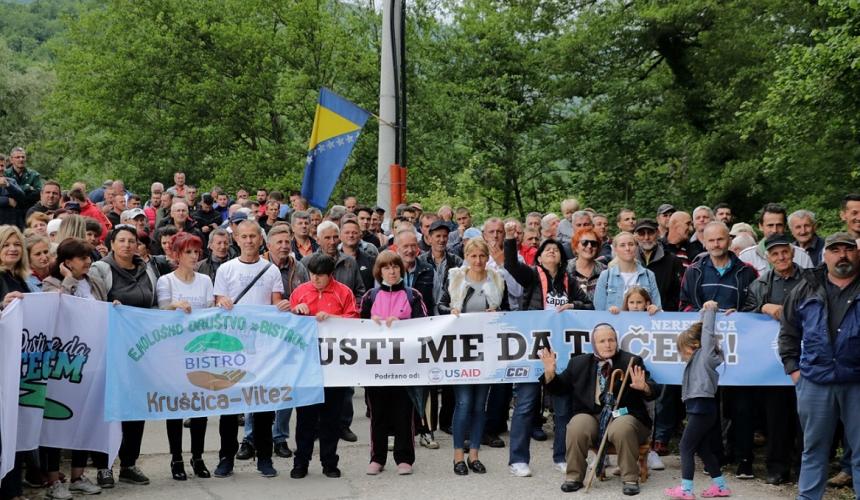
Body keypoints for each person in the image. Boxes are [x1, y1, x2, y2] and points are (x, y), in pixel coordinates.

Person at [502, 222, 592, 477]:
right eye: (547, 249)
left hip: (562, 355)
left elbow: (590, 306)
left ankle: (562, 456)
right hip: (533, 351)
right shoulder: (531, 276)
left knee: (563, 407)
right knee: (526, 404)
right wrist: (510, 239)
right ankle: (518, 459)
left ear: (562, 256)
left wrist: (574, 305)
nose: (552, 251)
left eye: (556, 249)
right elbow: (511, 266)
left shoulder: (570, 282)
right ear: (539, 256)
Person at [780, 232, 860, 500]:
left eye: (847, 250)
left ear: (856, 253)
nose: (842, 255)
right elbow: (789, 332)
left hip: (857, 383)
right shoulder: (805, 288)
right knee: (813, 451)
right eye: (835, 250)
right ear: (824, 256)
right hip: (814, 382)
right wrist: (794, 370)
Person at [540, 323, 656, 496]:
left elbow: (654, 390)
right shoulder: (578, 363)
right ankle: (574, 477)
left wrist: (644, 387)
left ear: (616, 342)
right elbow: (559, 389)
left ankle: (630, 478)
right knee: (577, 425)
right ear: (594, 344)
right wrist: (550, 373)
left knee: (621, 427)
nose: (607, 344)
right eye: (602, 341)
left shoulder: (631, 361)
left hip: (626, 415)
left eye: (611, 340)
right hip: (591, 415)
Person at [680, 221, 758, 478]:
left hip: (739, 349)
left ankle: (744, 459)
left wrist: (742, 313)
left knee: (742, 405)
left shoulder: (746, 271)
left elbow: (754, 305)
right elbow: (684, 307)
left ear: (729, 240)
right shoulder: (694, 271)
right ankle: (715, 457)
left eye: (720, 240)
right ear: (704, 242)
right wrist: (702, 311)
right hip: (704, 351)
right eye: (711, 240)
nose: (716, 244)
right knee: (708, 402)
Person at [211, 220, 287, 479]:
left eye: (253, 236)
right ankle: (225, 459)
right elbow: (217, 300)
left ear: (260, 238)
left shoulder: (271, 270)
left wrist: (283, 307)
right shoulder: (225, 269)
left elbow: (276, 303)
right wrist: (222, 301)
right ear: (237, 240)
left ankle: (264, 458)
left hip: (263, 348)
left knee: (264, 407)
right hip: (232, 349)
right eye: (244, 236)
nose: (249, 241)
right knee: (229, 408)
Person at [89, 225, 160, 487]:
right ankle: (103, 466)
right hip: (109, 349)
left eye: (133, 241)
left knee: (135, 408)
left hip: (140, 351)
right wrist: (110, 307)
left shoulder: (147, 270)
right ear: (111, 244)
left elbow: (153, 304)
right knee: (108, 410)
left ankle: (129, 464)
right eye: (122, 240)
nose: (128, 245)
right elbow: (93, 304)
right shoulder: (102, 270)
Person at [39, 238, 107, 497]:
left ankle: (78, 475)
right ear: (66, 262)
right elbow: (55, 311)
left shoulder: (95, 283)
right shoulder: (51, 284)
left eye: (89, 256)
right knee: (58, 420)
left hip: (93, 361)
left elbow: (100, 311)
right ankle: (54, 480)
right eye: (81, 258)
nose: (88, 261)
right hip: (64, 366)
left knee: (84, 419)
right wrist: (68, 280)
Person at [438, 237, 509, 476]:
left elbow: (507, 311)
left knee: (480, 405)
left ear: (487, 257)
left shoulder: (497, 279)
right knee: (464, 402)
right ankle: (458, 456)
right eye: (473, 256)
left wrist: (497, 311)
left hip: (487, 350)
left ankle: (475, 455)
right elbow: (440, 305)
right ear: (466, 257)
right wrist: (452, 310)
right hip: (461, 350)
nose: (478, 260)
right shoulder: (455, 278)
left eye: (482, 256)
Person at [289, 253, 358, 480]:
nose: (315, 279)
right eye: (312, 274)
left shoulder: (344, 293)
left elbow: (354, 321)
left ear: (331, 275)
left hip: (335, 366)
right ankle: (301, 462)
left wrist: (333, 319)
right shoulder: (300, 292)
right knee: (305, 418)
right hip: (306, 365)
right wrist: (296, 312)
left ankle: (329, 462)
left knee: (331, 418)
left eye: (320, 276)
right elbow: (288, 326)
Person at [741, 234, 802, 485]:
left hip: (804, 358)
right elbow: (745, 318)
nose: (781, 257)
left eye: (784, 252)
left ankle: (803, 468)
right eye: (775, 254)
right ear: (768, 257)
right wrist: (762, 308)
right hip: (771, 363)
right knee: (775, 419)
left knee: (803, 418)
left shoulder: (811, 280)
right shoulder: (760, 285)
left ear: (792, 252)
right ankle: (777, 468)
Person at [360, 251, 428, 475]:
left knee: (403, 413)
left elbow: (425, 326)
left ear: (401, 269)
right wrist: (371, 323)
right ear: (379, 272)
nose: (391, 271)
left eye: (395, 267)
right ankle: (377, 458)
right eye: (386, 267)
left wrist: (403, 324)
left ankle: (404, 458)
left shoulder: (413, 295)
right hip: (376, 368)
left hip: (405, 367)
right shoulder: (370, 296)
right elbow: (356, 327)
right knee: (378, 413)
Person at [155, 233, 213, 481]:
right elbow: (160, 312)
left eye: (196, 252)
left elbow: (210, 313)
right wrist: (174, 306)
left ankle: (197, 456)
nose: (194, 256)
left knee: (200, 406)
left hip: (200, 350)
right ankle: (176, 457)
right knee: (176, 408)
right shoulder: (166, 281)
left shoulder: (205, 280)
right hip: (174, 351)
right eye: (188, 252)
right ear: (177, 255)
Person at [664, 302, 732, 499]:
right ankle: (720, 486)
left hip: (702, 408)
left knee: (685, 447)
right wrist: (703, 313)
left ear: (694, 346)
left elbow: (707, 333)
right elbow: (703, 330)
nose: (681, 355)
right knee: (702, 448)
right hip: (700, 408)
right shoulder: (698, 359)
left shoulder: (706, 356)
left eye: (682, 350)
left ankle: (686, 490)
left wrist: (710, 310)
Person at [0, 226, 35, 500]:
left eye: (16, 244)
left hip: (19, 364)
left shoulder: (21, 278)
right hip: (3, 365)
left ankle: (14, 488)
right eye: (6, 245)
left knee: (16, 428)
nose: (12, 249)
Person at [593, 232, 662, 313]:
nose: (627, 248)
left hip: (643, 324)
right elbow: (599, 310)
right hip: (613, 324)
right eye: (622, 245)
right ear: (615, 249)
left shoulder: (649, 275)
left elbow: (658, 307)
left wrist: (654, 309)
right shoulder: (605, 275)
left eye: (631, 244)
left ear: (636, 247)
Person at [738, 203, 813, 274]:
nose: (775, 230)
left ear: (785, 227)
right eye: (770, 225)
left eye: (779, 225)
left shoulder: (802, 256)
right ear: (760, 226)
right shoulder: (746, 256)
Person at [634, 218, 683, 311]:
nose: (646, 237)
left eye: (650, 233)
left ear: (657, 233)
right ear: (635, 236)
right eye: (641, 233)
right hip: (635, 317)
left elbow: (679, 293)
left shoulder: (672, 260)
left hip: (664, 317)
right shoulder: (630, 260)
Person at [567, 227, 607, 301]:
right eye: (584, 242)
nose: (589, 246)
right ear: (576, 247)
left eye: (593, 243)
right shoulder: (564, 269)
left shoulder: (605, 272)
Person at [6, 147, 43, 221]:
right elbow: (4, 193)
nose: (21, 159)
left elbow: (39, 193)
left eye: (23, 157)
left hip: (28, 212)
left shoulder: (34, 175)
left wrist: (16, 194)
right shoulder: (5, 174)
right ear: (11, 160)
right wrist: (27, 188)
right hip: (9, 212)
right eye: (18, 157)